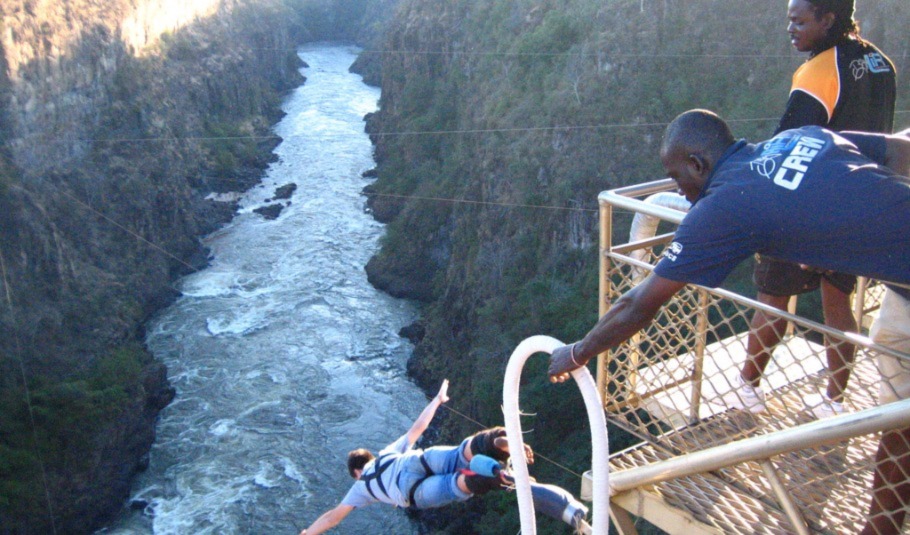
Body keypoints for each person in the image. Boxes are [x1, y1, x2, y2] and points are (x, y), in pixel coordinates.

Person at [548, 109, 910, 533]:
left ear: (698, 165)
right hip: (901, 287)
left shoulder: (724, 205)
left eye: (677, 177)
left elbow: (639, 304)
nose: (679, 192)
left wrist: (576, 352)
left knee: (898, 417)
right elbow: (899, 151)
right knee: (895, 395)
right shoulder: (803, 137)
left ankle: (880, 528)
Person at [739, 0, 897, 418]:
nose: (790, 28)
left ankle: (748, 388)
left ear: (828, 20)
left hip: (807, 206)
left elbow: (787, 143)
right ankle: (833, 399)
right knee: (837, 301)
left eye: (799, 20)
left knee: (773, 295)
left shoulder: (820, 71)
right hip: (859, 203)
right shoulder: (880, 63)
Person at [298, 379, 589, 534]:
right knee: (461, 452)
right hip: (418, 460)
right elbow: (418, 428)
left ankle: (493, 476)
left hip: (411, 490)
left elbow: (332, 518)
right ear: (369, 457)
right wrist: (437, 400)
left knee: (459, 484)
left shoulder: (361, 487)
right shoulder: (386, 453)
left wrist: (308, 533)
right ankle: (492, 441)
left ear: (356, 472)